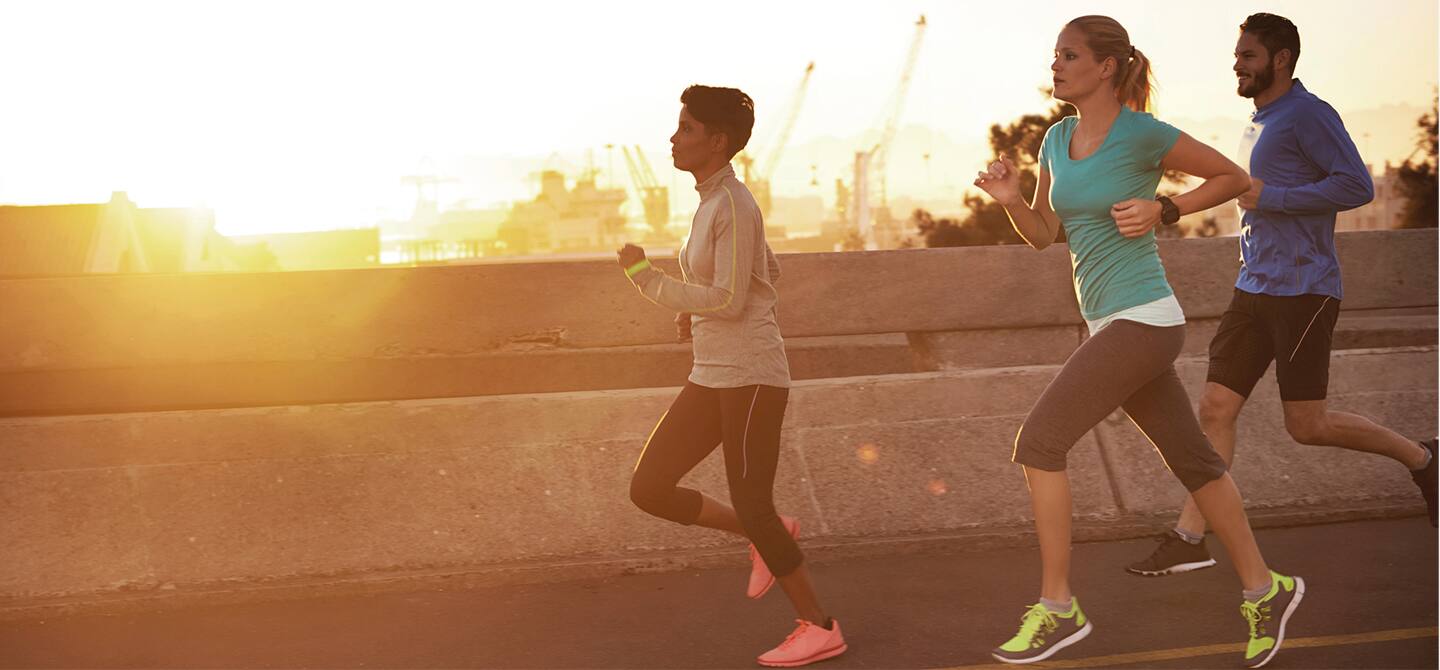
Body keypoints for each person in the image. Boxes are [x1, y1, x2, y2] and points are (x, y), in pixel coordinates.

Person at [973, 16, 1302, 668]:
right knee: (1195, 462)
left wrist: (1165, 209)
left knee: (1039, 443)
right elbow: (1044, 234)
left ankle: (1058, 607)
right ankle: (1265, 588)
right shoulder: (1057, 139)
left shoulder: (1142, 133)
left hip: (1144, 318)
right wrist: (1009, 198)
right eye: (1055, 55)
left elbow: (1234, 179)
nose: (1056, 65)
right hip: (1109, 322)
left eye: (1069, 55)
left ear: (1106, 67)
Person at [1126, 12, 1437, 582]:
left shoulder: (1309, 114)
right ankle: (1188, 537)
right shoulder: (1259, 120)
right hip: (1252, 288)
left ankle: (1423, 458)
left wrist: (1275, 196)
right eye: (1237, 55)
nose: (1237, 65)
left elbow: (1356, 185)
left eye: (1247, 56)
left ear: (1281, 59)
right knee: (1215, 409)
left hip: (1304, 290)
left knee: (1307, 425)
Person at [618, 84, 845, 668]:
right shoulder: (711, 201)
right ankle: (763, 533)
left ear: (717, 141)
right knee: (650, 487)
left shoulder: (734, 203)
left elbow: (731, 297)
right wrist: (693, 312)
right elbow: (764, 272)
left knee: (754, 503)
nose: (673, 138)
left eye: (686, 128)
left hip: (750, 376)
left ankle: (820, 627)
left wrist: (647, 279)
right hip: (712, 373)